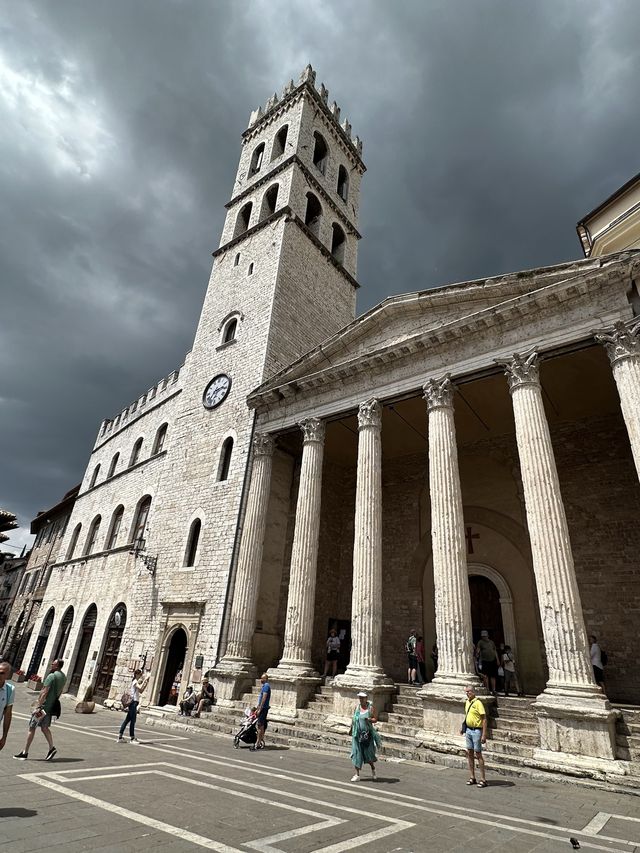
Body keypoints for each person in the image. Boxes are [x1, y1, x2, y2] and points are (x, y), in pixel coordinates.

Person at [14, 658, 66, 761]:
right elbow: (60, 692)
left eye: (53, 664)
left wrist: (38, 706)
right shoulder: (63, 677)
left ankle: (25, 752)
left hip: (42, 709)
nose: (51, 665)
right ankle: (51, 748)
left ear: (57, 666)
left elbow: (44, 692)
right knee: (45, 728)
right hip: (50, 708)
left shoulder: (51, 676)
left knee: (31, 728)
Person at [460, 684, 488, 788]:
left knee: (478, 753)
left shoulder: (478, 703)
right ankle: (472, 776)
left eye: (469, 691)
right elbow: (468, 716)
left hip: (477, 731)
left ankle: (483, 778)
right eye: (466, 692)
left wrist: (484, 734)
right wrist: (463, 728)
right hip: (468, 730)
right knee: (469, 752)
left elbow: (484, 719)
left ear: (473, 692)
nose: (467, 693)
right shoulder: (467, 702)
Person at [350, 690, 380, 781]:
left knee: (368, 755)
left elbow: (375, 719)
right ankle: (357, 774)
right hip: (357, 734)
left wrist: (370, 720)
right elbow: (354, 720)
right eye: (360, 697)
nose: (361, 699)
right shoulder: (357, 707)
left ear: (366, 698)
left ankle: (373, 769)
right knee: (356, 753)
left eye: (362, 697)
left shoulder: (370, 708)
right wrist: (351, 729)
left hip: (367, 735)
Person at [116, 668, 149, 743]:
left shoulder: (136, 682)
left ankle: (120, 737)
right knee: (132, 721)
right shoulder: (135, 682)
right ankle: (132, 738)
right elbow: (140, 687)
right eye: (140, 674)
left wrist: (146, 682)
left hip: (134, 703)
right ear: (137, 674)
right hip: (133, 703)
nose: (141, 676)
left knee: (127, 720)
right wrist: (145, 680)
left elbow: (141, 691)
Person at [476, 630, 500, 695]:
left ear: (488, 636)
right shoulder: (480, 642)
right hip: (485, 661)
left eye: (485, 636)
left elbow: (494, 651)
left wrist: (497, 659)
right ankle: (487, 690)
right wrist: (477, 654)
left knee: (493, 676)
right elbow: (478, 649)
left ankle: (494, 690)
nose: (484, 637)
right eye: (483, 636)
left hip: (492, 660)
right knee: (485, 676)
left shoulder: (491, 642)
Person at [0, 661, 15, 751]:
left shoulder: (10, 690)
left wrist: (4, 737)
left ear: (7, 675)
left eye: (2, 673)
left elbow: (8, 714)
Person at [254, 672, 270, 750]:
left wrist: (260, 708)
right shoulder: (264, 686)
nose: (261, 679)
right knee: (261, 725)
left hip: (263, 708)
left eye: (262, 678)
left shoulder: (266, 686)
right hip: (262, 708)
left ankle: (258, 742)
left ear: (265, 679)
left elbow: (264, 697)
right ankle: (260, 740)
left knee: (260, 725)